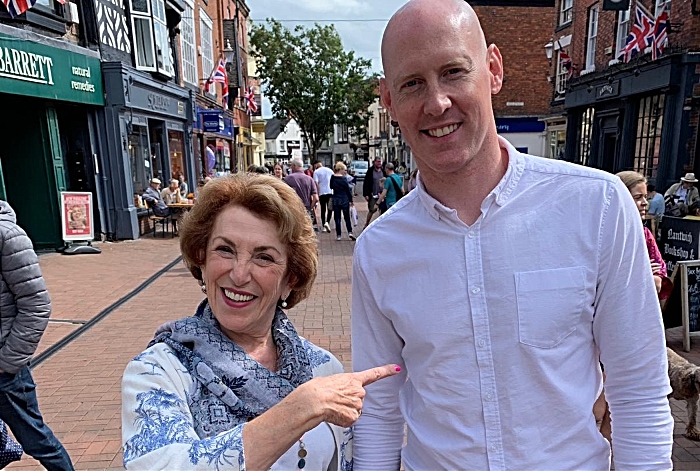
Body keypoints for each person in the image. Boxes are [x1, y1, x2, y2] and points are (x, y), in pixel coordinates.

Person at [351, 1, 673, 470]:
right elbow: (379, 412)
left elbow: (638, 388)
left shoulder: (596, 207)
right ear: (390, 103)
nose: (437, 102)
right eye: (412, 83)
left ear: (493, 70)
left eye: (454, 71)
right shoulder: (379, 250)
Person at [121, 174, 398, 470]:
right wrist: (298, 410)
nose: (239, 275)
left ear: (290, 279)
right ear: (201, 260)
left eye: (263, 257)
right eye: (225, 250)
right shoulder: (159, 370)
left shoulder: (321, 367)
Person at [0, 200, 74, 470]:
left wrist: (7, 362)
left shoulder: (8, 235)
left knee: (36, 440)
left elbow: (36, 305)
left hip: (5, 373)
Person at [285, 157, 320, 231]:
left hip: (293, 209)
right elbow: (316, 198)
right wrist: (310, 207)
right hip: (306, 209)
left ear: (294, 166)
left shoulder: (288, 179)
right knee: (306, 231)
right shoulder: (309, 179)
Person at [329, 162, 355, 241]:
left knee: (337, 218)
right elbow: (348, 190)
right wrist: (351, 200)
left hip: (336, 199)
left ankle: (339, 235)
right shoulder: (344, 179)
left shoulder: (333, 177)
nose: (345, 172)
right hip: (344, 199)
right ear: (340, 169)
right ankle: (350, 232)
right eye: (344, 170)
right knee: (347, 217)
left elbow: (331, 186)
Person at [362, 157, 386, 229]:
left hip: (382, 194)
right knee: (372, 209)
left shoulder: (383, 171)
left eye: (380, 162)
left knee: (383, 210)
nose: (379, 163)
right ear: (374, 162)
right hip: (373, 194)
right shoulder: (370, 171)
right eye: (378, 162)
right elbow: (366, 182)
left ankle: (381, 225)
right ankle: (366, 223)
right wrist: (366, 194)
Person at [313, 162, 334, 233]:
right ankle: (327, 222)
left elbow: (316, 183)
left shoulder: (316, 172)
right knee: (330, 208)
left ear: (317, 165)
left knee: (323, 209)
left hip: (322, 193)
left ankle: (323, 224)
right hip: (330, 192)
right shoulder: (330, 170)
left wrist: (317, 193)